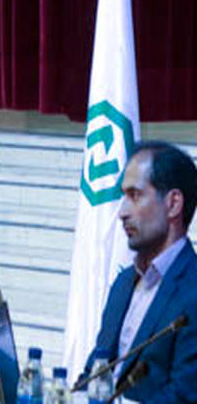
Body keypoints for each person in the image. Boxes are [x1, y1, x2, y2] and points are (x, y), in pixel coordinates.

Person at [84, 141, 197, 402]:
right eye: (123, 196)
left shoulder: (192, 292)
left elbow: (184, 396)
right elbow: (94, 373)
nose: (122, 212)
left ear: (173, 204)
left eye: (135, 195)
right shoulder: (124, 282)